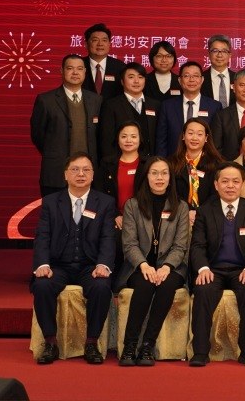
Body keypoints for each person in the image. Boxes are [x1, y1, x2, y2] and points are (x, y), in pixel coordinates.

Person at [31, 154, 116, 365]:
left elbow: (108, 237)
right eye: (75, 169)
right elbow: (42, 236)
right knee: (41, 285)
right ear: (65, 175)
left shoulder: (105, 202)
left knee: (101, 287)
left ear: (93, 175)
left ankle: (91, 343)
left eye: (86, 170)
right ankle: (50, 342)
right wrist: (43, 264)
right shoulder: (51, 202)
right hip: (58, 265)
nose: (81, 174)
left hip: (89, 265)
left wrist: (103, 265)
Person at [188, 162, 245, 367]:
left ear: (242, 184)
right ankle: (200, 351)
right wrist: (203, 268)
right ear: (216, 185)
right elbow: (197, 246)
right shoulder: (205, 211)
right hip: (213, 269)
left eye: (235, 181)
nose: (230, 186)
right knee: (203, 289)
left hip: (243, 269)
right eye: (225, 181)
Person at [116, 156, 190, 366]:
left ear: (170, 178)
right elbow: (129, 244)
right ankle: (130, 345)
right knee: (145, 285)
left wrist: (166, 266)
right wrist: (144, 265)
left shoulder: (181, 207)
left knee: (166, 286)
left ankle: (148, 344)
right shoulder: (132, 205)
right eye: (154, 173)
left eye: (164, 173)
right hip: (139, 266)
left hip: (172, 266)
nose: (160, 178)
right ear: (146, 176)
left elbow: (180, 246)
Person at [30, 54, 102, 197]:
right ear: (61, 71)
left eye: (79, 69)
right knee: (55, 211)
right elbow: (38, 136)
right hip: (56, 173)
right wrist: (55, 153)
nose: (75, 72)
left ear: (85, 72)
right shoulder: (46, 100)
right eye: (70, 68)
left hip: (88, 173)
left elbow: (100, 135)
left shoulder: (96, 100)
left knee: (88, 211)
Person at [155, 61, 221, 158]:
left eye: (196, 76)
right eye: (186, 76)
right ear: (179, 80)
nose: (191, 80)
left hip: (205, 161)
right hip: (173, 160)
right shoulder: (167, 106)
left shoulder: (214, 106)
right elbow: (161, 140)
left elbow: (216, 140)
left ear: (202, 80)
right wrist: (162, 162)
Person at [97, 62, 159, 159]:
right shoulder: (111, 105)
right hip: (123, 161)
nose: (136, 81)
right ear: (122, 81)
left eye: (140, 77)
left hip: (151, 161)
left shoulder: (155, 105)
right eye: (131, 77)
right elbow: (107, 140)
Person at [168, 118, 224, 225]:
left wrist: (200, 213)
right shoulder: (171, 163)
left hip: (209, 217)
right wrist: (186, 211)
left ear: (206, 138)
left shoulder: (217, 164)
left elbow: (217, 193)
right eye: (190, 133)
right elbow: (171, 193)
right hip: (178, 216)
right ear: (183, 136)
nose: (194, 138)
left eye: (199, 134)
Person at [98, 120, 144, 230]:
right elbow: (101, 192)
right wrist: (115, 215)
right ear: (118, 140)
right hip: (115, 220)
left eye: (133, 136)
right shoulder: (107, 164)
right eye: (124, 136)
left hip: (143, 219)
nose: (128, 140)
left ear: (140, 139)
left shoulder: (148, 164)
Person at [82, 22, 126, 101]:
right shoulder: (79, 66)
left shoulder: (120, 67)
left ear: (109, 44)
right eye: (95, 40)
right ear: (86, 44)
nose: (100, 44)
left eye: (104, 40)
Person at [201, 34, 235, 109]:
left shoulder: (237, 79)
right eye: (215, 51)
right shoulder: (200, 79)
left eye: (224, 51)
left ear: (230, 55)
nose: (219, 55)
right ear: (209, 54)